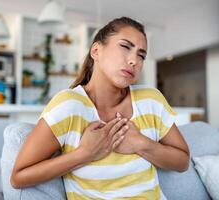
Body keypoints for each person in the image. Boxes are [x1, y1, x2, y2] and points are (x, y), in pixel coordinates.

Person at [11, 16, 190, 199]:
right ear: (96, 51)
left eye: (141, 55)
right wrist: (85, 154)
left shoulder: (151, 100)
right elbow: (18, 177)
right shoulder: (69, 106)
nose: (134, 61)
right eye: (125, 47)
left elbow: (183, 161)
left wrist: (141, 143)